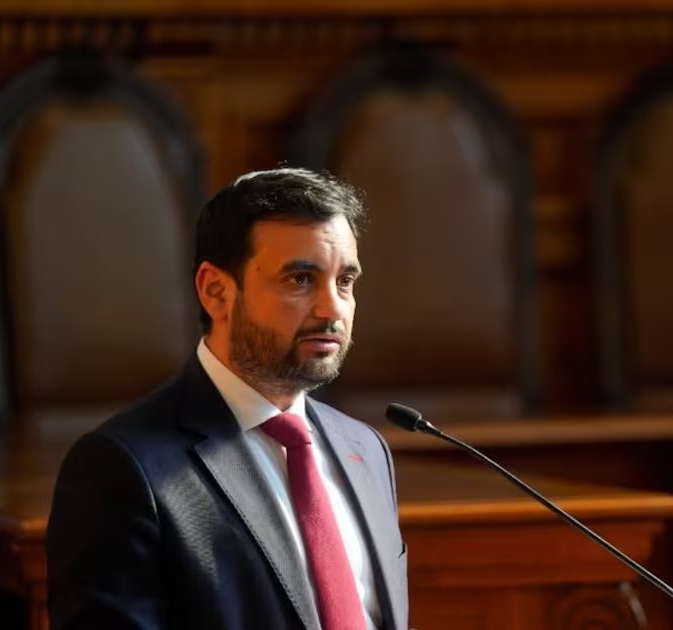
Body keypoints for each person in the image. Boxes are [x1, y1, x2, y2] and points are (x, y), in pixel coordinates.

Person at [47, 168, 408, 630]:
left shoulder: (366, 449)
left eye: (345, 282)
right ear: (216, 292)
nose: (332, 308)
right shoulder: (122, 467)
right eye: (300, 279)